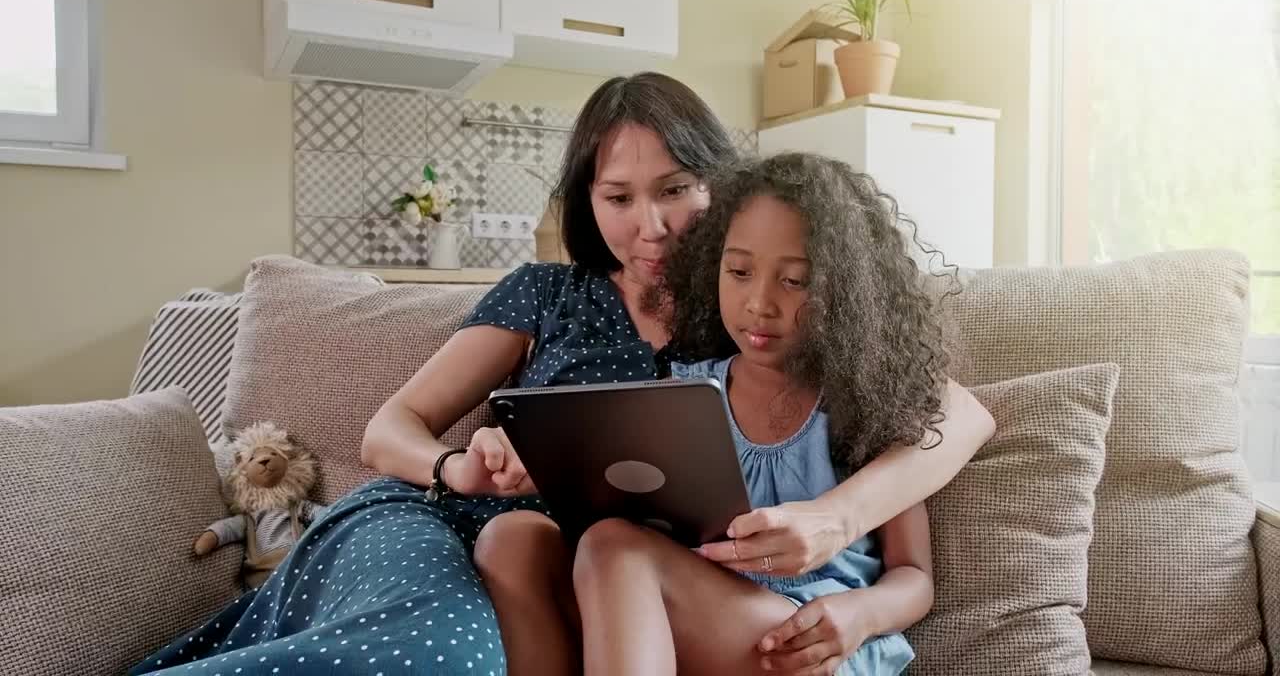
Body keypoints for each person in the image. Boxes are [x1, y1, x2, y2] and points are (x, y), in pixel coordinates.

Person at [131, 73, 993, 676]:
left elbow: (944, 412)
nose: (649, 227)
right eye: (617, 198)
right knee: (506, 548)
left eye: (676, 190)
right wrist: (459, 466)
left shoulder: (742, 325)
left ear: (721, 187)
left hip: (652, 583)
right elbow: (389, 430)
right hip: (453, 525)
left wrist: (839, 524)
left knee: (555, 552)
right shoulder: (555, 296)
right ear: (587, 203)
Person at [477, 152, 947, 675]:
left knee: (617, 548)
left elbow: (913, 574)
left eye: (794, 281)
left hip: (807, 635)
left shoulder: (867, 399)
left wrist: (861, 614)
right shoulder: (682, 391)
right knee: (513, 537)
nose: (759, 303)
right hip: (693, 616)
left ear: (851, 289)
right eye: (739, 272)